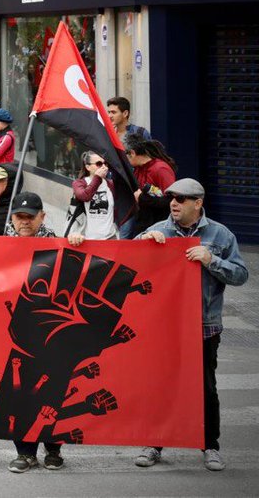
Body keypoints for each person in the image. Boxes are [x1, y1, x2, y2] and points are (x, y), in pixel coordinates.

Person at [128, 178, 248, 472]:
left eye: (182, 199)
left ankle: (210, 446)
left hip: (203, 325)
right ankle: (154, 442)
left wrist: (211, 260)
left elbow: (241, 275)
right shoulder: (158, 231)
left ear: (198, 203)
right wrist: (142, 246)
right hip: (163, 327)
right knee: (159, 385)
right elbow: (127, 261)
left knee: (205, 388)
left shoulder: (220, 235)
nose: (174, 203)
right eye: (171, 198)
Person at [1, 191, 68, 473]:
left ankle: (53, 448)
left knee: (55, 389)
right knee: (20, 391)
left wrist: (79, 244)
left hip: (55, 330)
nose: (24, 222)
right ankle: (25, 452)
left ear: (43, 216)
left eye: (30, 217)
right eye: (20, 217)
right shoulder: (0, 246)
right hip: (20, 332)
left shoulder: (59, 245)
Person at [125, 136, 177, 237]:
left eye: (125, 155)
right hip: (142, 221)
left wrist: (141, 198)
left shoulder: (160, 169)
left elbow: (171, 200)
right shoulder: (137, 169)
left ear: (132, 153)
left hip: (159, 225)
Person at [67, 151, 116, 240]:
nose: (103, 166)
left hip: (110, 237)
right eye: (99, 164)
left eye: (105, 163)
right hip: (87, 238)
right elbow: (85, 196)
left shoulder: (110, 184)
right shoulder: (79, 183)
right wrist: (97, 178)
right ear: (88, 167)